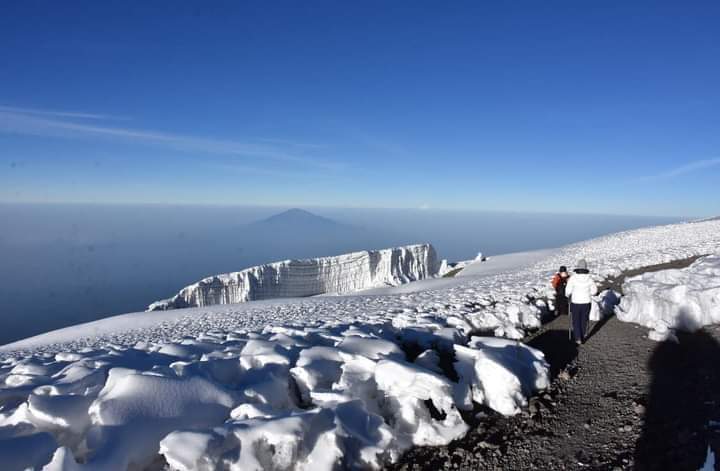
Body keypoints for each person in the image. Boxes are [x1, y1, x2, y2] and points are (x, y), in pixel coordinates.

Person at [565, 259, 597, 345]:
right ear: (586, 267)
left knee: (576, 320)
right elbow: (594, 291)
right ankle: (582, 335)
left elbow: (568, 291)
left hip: (575, 302)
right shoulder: (589, 279)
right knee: (584, 319)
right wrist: (588, 293)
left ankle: (578, 338)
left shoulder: (573, 278)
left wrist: (568, 295)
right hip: (586, 302)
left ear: (578, 267)